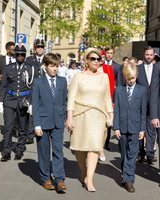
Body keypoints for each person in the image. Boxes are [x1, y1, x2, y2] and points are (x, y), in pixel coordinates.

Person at [66, 48, 113, 192]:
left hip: (98, 116)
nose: (96, 61)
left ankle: (90, 179)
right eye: (93, 59)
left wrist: (111, 114)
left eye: (99, 59)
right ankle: (83, 170)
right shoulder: (78, 76)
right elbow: (71, 98)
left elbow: (107, 97)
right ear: (87, 60)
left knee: (94, 148)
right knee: (80, 149)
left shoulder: (104, 77)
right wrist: (69, 117)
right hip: (80, 115)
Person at [32, 53, 67, 192]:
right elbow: (35, 104)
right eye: (52, 66)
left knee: (58, 150)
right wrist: (36, 124)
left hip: (58, 121)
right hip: (43, 122)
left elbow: (65, 101)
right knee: (44, 152)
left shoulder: (63, 81)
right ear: (45, 66)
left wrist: (64, 117)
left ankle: (59, 179)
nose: (55, 69)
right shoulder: (38, 82)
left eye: (57, 66)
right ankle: (46, 178)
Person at [113, 64, 147, 193]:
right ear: (124, 77)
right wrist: (116, 127)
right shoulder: (119, 90)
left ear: (136, 76)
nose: (131, 81)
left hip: (136, 127)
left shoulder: (142, 90)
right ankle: (126, 175)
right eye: (128, 78)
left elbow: (143, 112)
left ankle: (129, 180)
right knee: (124, 155)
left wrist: (142, 129)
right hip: (121, 127)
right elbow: (116, 110)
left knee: (132, 155)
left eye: (133, 78)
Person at [0, 44, 33, 161]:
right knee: (8, 127)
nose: (20, 56)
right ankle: (6, 151)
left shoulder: (29, 68)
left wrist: (32, 103)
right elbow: (3, 87)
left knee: (23, 128)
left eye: (22, 54)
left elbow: (32, 87)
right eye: (18, 54)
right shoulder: (8, 68)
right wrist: (0, 101)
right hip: (10, 100)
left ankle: (19, 149)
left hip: (23, 101)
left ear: (25, 55)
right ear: (15, 55)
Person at [136, 46, 157, 164]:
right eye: (147, 54)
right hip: (140, 104)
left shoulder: (157, 68)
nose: (149, 57)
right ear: (143, 55)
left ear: (154, 55)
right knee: (140, 129)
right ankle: (141, 153)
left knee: (151, 130)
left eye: (151, 55)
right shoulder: (138, 68)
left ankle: (149, 153)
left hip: (154, 104)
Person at [25, 38, 45, 144]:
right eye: (38, 47)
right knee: (32, 111)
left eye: (42, 47)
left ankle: (43, 129)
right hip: (33, 88)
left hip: (45, 89)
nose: (40, 49)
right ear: (34, 48)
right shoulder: (29, 60)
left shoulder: (47, 59)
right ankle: (30, 133)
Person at [98, 50, 115, 161]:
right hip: (93, 103)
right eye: (100, 57)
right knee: (95, 128)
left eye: (103, 57)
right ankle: (96, 149)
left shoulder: (109, 69)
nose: (101, 60)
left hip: (105, 102)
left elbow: (112, 86)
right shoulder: (88, 69)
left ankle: (100, 147)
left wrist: (110, 102)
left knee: (105, 129)